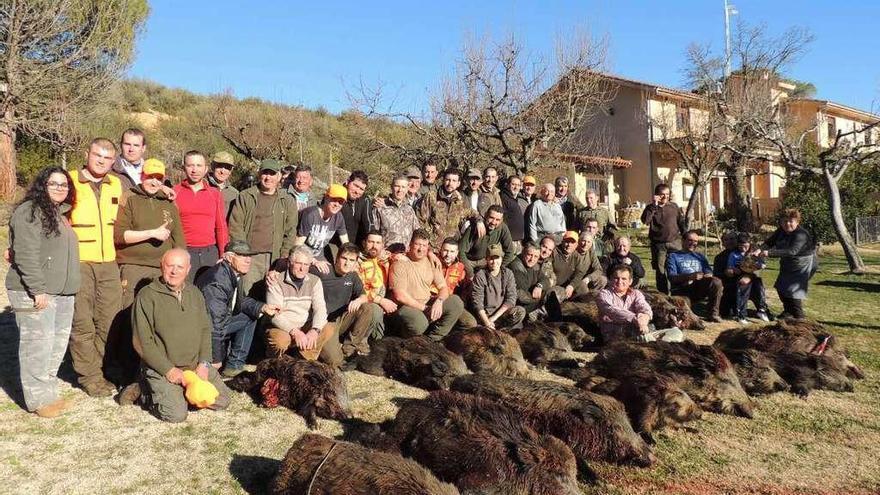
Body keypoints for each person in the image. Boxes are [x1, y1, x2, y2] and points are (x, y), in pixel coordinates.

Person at [7, 166, 80, 417]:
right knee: (37, 344)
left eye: (64, 184)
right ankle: (37, 400)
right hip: (35, 290)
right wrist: (37, 289)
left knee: (56, 344)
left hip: (62, 291)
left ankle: (49, 393)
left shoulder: (60, 214)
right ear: (42, 185)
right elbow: (25, 253)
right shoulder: (29, 211)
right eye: (54, 183)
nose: (60, 188)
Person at [131, 249, 231, 422]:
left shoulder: (195, 293)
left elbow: (205, 330)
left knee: (222, 400)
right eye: (170, 266)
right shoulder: (147, 296)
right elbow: (142, 342)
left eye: (180, 267)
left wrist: (204, 363)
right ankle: (144, 392)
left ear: (188, 269)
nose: (174, 271)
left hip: (194, 367)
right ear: (161, 266)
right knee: (176, 415)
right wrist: (168, 370)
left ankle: (183, 394)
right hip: (165, 369)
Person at [114, 158, 186, 389]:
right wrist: (152, 233)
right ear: (142, 176)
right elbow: (119, 235)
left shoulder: (169, 204)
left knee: (158, 321)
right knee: (130, 317)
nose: (154, 182)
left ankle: (154, 369)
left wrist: (180, 265)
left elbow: (179, 240)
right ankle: (127, 372)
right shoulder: (131, 199)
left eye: (158, 178)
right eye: (149, 177)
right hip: (133, 266)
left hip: (162, 269)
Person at [69, 138, 124, 397]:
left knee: (109, 320)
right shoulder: (69, 181)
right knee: (82, 322)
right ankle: (89, 377)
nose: (101, 161)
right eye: (97, 155)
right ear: (87, 154)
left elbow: (132, 206)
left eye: (107, 157)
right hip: (79, 262)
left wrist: (167, 192)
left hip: (108, 262)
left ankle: (100, 368)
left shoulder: (116, 184)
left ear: (114, 161)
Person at [196, 241, 281, 378]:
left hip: (221, 321)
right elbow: (213, 323)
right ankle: (228, 365)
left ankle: (234, 365)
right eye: (242, 256)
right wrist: (215, 358)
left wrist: (262, 307)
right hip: (204, 330)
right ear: (229, 257)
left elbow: (239, 302)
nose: (248, 260)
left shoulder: (233, 273)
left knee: (253, 314)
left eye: (249, 256)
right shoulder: (217, 283)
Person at [227, 158, 298, 298]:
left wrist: (284, 257)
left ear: (279, 177)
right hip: (251, 256)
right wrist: (242, 254)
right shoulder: (246, 196)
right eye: (265, 173)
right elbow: (236, 226)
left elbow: (291, 231)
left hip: (275, 257)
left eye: (272, 174)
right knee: (246, 295)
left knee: (272, 295)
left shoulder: (288, 200)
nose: (268, 177)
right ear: (259, 174)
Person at [388, 229, 465, 340]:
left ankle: (433, 339)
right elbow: (400, 295)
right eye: (417, 244)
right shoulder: (400, 263)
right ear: (410, 244)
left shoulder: (431, 261)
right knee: (420, 323)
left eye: (424, 245)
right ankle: (406, 340)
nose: (420, 249)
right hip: (406, 306)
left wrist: (439, 301)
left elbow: (443, 287)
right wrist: (424, 308)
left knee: (455, 302)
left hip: (426, 303)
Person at [311, 243, 383, 360]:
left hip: (341, 320)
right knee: (334, 360)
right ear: (337, 258)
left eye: (351, 260)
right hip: (323, 322)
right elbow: (295, 265)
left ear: (355, 263)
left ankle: (349, 348)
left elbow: (364, 296)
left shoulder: (353, 276)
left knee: (367, 307)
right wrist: (313, 261)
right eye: (344, 258)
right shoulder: (323, 270)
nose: (347, 263)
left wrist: (359, 300)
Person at [264, 247, 334, 363]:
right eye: (298, 263)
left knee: (327, 328)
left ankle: (303, 361)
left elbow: (320, 308)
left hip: (303, 326)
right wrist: (294, 331)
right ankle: (274, 362)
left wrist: (314, 330)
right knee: (280, 340)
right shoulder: (276, 280)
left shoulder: (314, 281)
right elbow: (274, 315)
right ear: (290, 263)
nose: (302, 268)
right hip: (282, 328)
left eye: (306, 264)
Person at [173, 150, 229, 282]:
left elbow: (221, 226)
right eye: (190, 165)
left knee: (209, 293)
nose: (194, 170)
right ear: (183, 168)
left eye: (199, 165)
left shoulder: (215, 194)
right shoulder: (175, 192)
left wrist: (223, 253)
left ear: (206, 169)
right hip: (183, 251)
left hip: (210, 253)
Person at [596, 265, 683, 344]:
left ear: (630, 281)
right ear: (610, 279)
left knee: (675, 332)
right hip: (616, 335)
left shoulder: (636, 293)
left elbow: (644, 307)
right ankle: (659, 345)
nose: (619, 281)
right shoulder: (604, 294)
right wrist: (636, 319)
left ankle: (660, 345)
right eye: (616, 278)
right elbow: (612, 310)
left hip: (640, 329)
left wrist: (644, 318)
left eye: (624, 279)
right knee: (642, 335)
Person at [759, 209, 817, 319]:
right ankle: (788, 312)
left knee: (793, 291)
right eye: (784, 221)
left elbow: (792, 251)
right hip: (788, 262)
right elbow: (770, 242)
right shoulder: (780, 231)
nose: (787, 224)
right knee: (780, 287)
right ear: (780, 222)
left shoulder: (801, 234)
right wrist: (759, 250)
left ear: (797, 222)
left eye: (791, 221)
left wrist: (768, 253)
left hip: (803, 263)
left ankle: (800, 318)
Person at [666, 230, 723, 322]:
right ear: (683, 241)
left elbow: (708, 271)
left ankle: (713, 314)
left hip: (699, 287)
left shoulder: (700, 257)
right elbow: (672, 277)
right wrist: (690, 276)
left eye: (696, 241)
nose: (693, 243)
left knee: (716, 282)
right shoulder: (673, 256)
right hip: (682, 289)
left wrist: (708, 275)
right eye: (690, 240)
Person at [418, 168, 483, 248]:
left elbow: (471, 212)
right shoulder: (431, 196)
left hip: (451, 248)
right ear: (443, 180)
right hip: (433, 247)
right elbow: (421, 220)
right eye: (448, 180)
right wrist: (430, 240)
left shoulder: (458, 200)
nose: (450, 183)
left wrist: (479, 221)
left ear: (458, 183)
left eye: (454, 181)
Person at [294, 184, 350, 272]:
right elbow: (297, 245)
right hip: (302, 255)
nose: (337, 204)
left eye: (340, 202)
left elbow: (346, 243)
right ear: (327, 197)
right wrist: (314, 261)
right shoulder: (310, 215)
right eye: (334, 200)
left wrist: (353, 259)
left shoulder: (338, 217)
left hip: (318, 254)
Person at [641, 183, 685, 294]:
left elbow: (681, 222)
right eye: (662, 195)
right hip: (659, 245)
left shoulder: (674, 206)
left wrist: (686, 236)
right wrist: (654, 206)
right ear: (656, 195)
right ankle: (663, 295)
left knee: (677, 268)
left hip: (675, 243)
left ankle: (678, 293)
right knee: (661, 272)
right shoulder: (651, 208)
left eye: (667, 194)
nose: (665, 197)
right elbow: (645, 221)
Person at [470, 244, 525, 329]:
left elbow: (511, 298)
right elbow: (477, 302)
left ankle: (502, 329)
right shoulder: (480, 275)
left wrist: (494, 318)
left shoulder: (508, 273)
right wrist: (487, 322)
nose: (494, 261)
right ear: (486, 259)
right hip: (484, 316)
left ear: (501, 258)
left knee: (520, 311)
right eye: (491, 258)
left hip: (500, 315)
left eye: (497, 258)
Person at [356, 231, 399, 330]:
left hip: (386, 301)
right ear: (364, 243)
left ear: (382, 246)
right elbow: (359, 290)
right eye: (370, 242)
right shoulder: (357, 262)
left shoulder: (385, 260)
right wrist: (381, 301)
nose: (374, 246)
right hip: (367, 302)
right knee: (375, 312)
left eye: (378, 243)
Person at [458, 205, 515, 278]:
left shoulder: (503, 228)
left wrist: (498, 267)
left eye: (497, 220)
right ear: (486, 215)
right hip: (469, 260)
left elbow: (510, 252)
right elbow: (460, 251)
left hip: (486, 260)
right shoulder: (473, 228)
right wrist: (470, 273)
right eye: (491, 218)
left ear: (501, 220)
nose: (493, 222)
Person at [726, 233, 771, 324]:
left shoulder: (754, 253)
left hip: (753, 275)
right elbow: (729, 267)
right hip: (740, 275)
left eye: (745, 245)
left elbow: (762, 264)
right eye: (740, 245)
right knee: (744, 285)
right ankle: (741, 315)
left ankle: (761, 310)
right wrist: (734, 269)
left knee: (759, 285)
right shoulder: (733, 254)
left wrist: (760, 265)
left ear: (749, 243)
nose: (742, 247)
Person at [373, 174, 420, 252]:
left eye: (403, 187)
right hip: (386, 256)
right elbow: (373, 234)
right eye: (397, 186)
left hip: (405, 256)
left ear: (407, 188)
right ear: (391, 187)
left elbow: (417, 233)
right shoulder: (380, 207)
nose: (400, 190)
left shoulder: (410, 210)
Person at [508, 243, 551, 318]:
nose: (532, 259)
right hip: (519, 307)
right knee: (549, 297)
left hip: (532, 302)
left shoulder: (534, 265)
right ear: (523, 252)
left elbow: (545, 280)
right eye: (529, 255)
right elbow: (522, 297)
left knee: (552, 295)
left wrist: (540, 286)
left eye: (536, 256)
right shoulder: (516, 267)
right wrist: (542, 298)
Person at [340, 170, 373, 247]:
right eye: (355, 186)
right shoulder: (337, 196)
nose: (357, 191)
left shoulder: (365, 200)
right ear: (348, 182)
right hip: (334, 243)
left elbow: (368, 223)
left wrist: (372, 242)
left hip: (356, 246)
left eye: (361, 189)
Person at [713, 231, 740, 317]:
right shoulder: (719, 257)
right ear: (723, 242)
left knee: (758, 283)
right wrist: (725, 273)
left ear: (737, 240)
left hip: (745, 282)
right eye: (726, 239)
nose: (729, 241)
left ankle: (762, 310)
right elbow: (716, 274)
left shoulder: (744, 253)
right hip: (727, 284)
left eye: (732, 239)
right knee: (725, 313)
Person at [500, 175, 526, 254]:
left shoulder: (513, 198)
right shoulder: (504, 198)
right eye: (513, 184)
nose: (516, 187)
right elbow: (503, 219)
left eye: (518, 185)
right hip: (509, 240)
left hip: (517, 240)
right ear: (507, 185)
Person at [207, 151, 239, 215]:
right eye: (219, 166)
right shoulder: (200, 186)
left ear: (230, 171)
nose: (222, 171)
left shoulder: (235, 194)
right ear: (212, 166)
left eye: (227, 168)